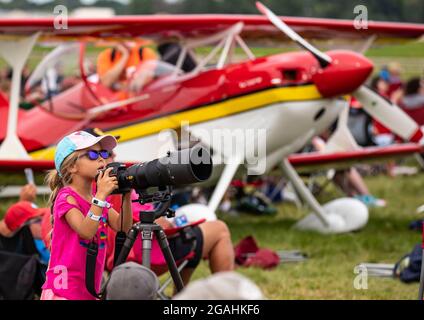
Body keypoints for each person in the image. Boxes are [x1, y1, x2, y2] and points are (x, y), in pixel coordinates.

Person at [40, 130, 133, 300]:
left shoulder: (96, 199)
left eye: (103, 153)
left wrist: (126, 196)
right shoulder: (66, 197)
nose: (101, 159)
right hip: (63, 290)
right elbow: (86, 231)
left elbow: (123, 227)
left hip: (88, 288)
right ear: (71, 166)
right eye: (92, 154)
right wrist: (100, 196)